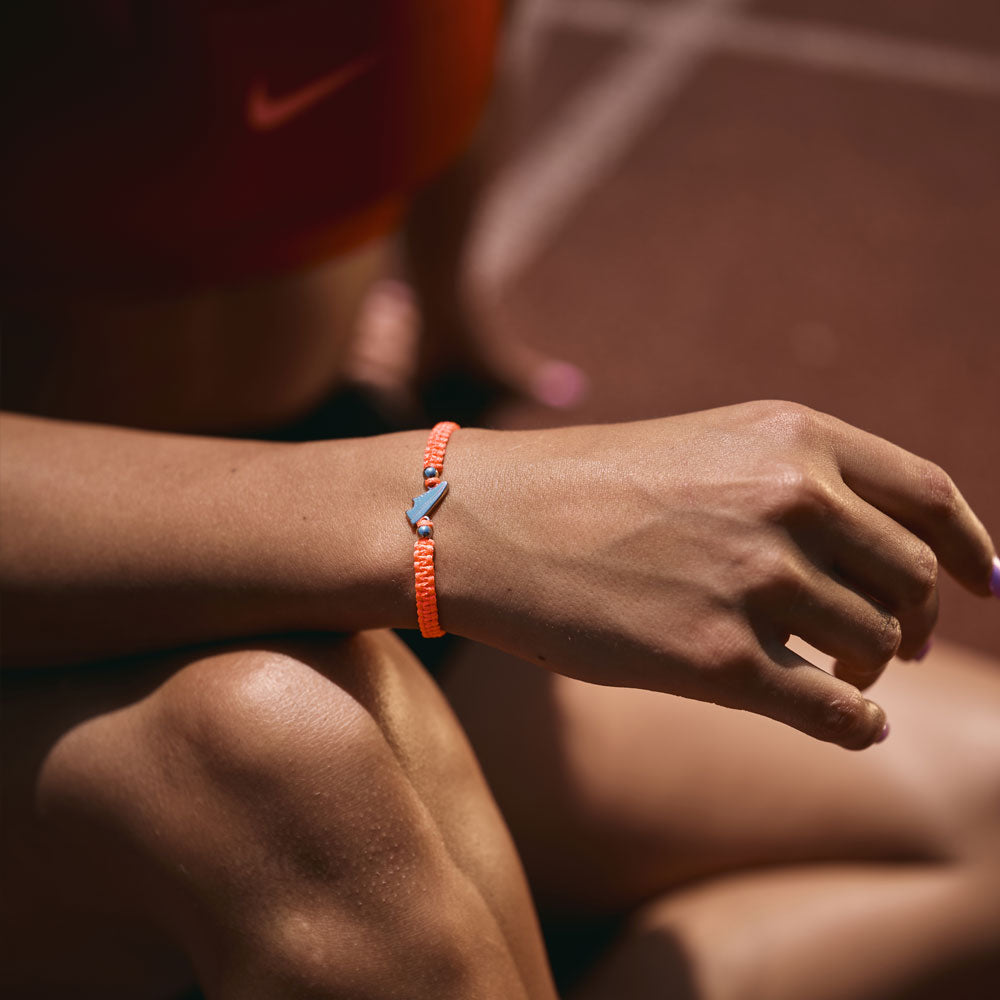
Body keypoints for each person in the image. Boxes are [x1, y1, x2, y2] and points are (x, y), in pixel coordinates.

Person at [2, 3, 999, 998]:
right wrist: (445, 505)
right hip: (60, 562)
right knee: (285, 768)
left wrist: (446, 307)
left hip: (323, 462)